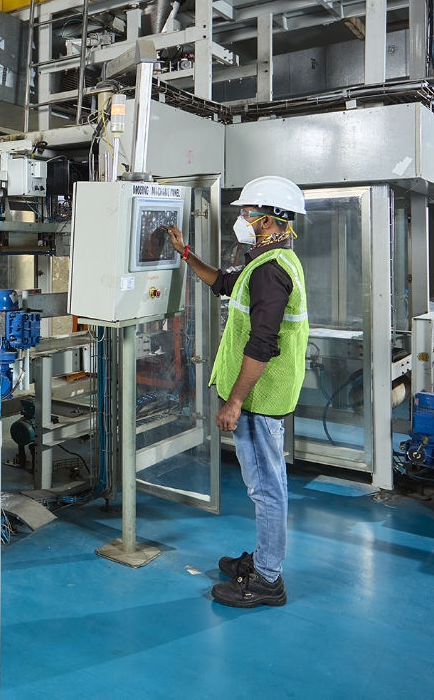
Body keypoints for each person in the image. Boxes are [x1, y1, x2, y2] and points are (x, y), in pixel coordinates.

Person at [165, 175, 309, 609]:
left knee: (266, 487)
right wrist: (186, 253)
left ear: (269, 219)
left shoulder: (270, 272)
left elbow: (262, 344)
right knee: (267, 484)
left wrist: (234, 401)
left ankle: (267, 579)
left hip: (259, 398)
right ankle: (265, 559)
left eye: (248, 213)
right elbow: (224, 283)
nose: (242, 219)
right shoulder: (270, 260)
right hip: (261, 396)